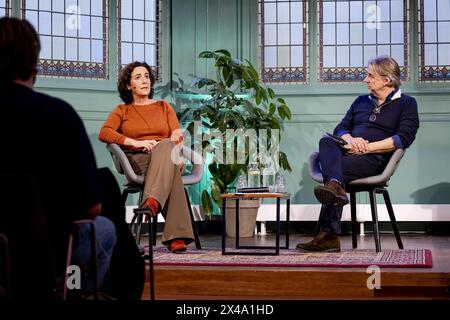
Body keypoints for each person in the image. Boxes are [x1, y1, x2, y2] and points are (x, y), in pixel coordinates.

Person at [0, 17, 117, 298]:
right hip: (45, 250)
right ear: (34, 61)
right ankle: (71, 291)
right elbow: (91, 208)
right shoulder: (59, 115)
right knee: (105, 229)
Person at [297, 56, 420, 252]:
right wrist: (351, 141)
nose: (366, 79)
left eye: (370, 75)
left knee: (334, 173)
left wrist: (366, 147)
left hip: (374, 161)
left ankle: (329, 235)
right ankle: (335, 187)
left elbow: (403, 138)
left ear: (386, 80)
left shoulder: (407, 103)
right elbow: (341, 127)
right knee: (327, 141)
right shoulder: (361, 101)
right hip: (348, 153)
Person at [99, 61, 194, 253]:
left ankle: (152, 201)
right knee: (172, 172)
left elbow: (177, 135)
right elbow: (105, 133)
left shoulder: (163, 106)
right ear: (129, 85)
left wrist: (169, 148)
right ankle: (177, 237)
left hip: (168, 155)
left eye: (147, 76)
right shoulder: (122, 110)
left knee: (167, 146)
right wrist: (136, 143)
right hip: (138, 160)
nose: (145, 80)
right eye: (138, 77)